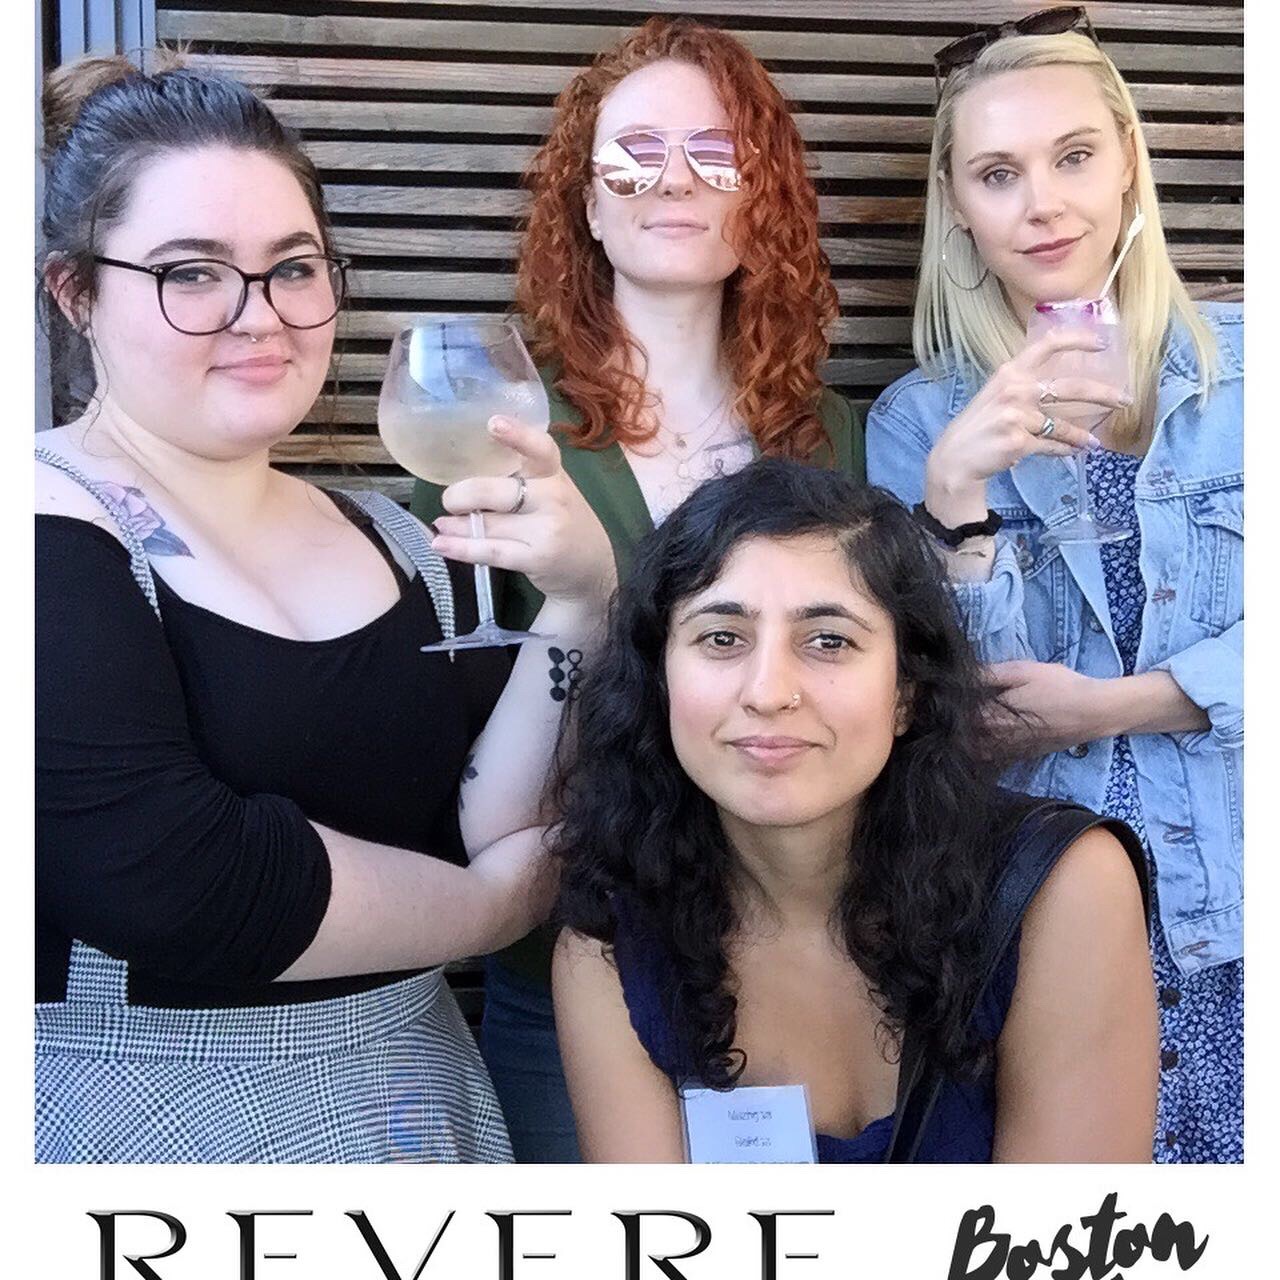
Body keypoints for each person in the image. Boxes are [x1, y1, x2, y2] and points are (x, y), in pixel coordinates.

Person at [34, 54, 614, 1163]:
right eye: (191, 273)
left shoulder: (395, 535)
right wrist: (490, 912)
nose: (260, 317)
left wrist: (581, 605)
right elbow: (180, 878)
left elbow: (492, 820)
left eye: (292, 268)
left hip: (421, 1106)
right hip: (150, 1130)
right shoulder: (46, 527)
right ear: (77, 294)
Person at [410, 14, 863, 1163]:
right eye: (632, 152)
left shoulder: (847, 448)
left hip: (822, 972)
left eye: (714, 153)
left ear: (764, 195)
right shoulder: (494, 441)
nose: (670, 179)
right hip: (569, 980)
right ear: (585, 198)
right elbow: (439, 762)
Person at [864, 11, 1242, 1163]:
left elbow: (1061, 709)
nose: (1041, 202)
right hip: (1044, 946)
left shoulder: (1252, 369)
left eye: (1072, 155)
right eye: (996, 173)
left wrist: (1121, 703)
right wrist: (957, 502)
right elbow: (949, 719)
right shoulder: (917, 423)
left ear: (1127, 159)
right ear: (960, 211)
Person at [550, 460, 1156, 1162]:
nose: (768, 691)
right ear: (659, 682)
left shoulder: (1063, 890)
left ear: (907, 694)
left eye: (829, 640)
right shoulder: (610, 942)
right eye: (722, 637)